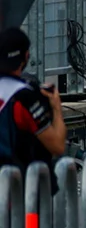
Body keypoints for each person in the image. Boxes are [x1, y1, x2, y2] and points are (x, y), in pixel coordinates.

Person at [0, 28, 63, 168]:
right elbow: (57, 146)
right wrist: (56, 108)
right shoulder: (25, 97)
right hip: (17, 183)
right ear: (26, 56)